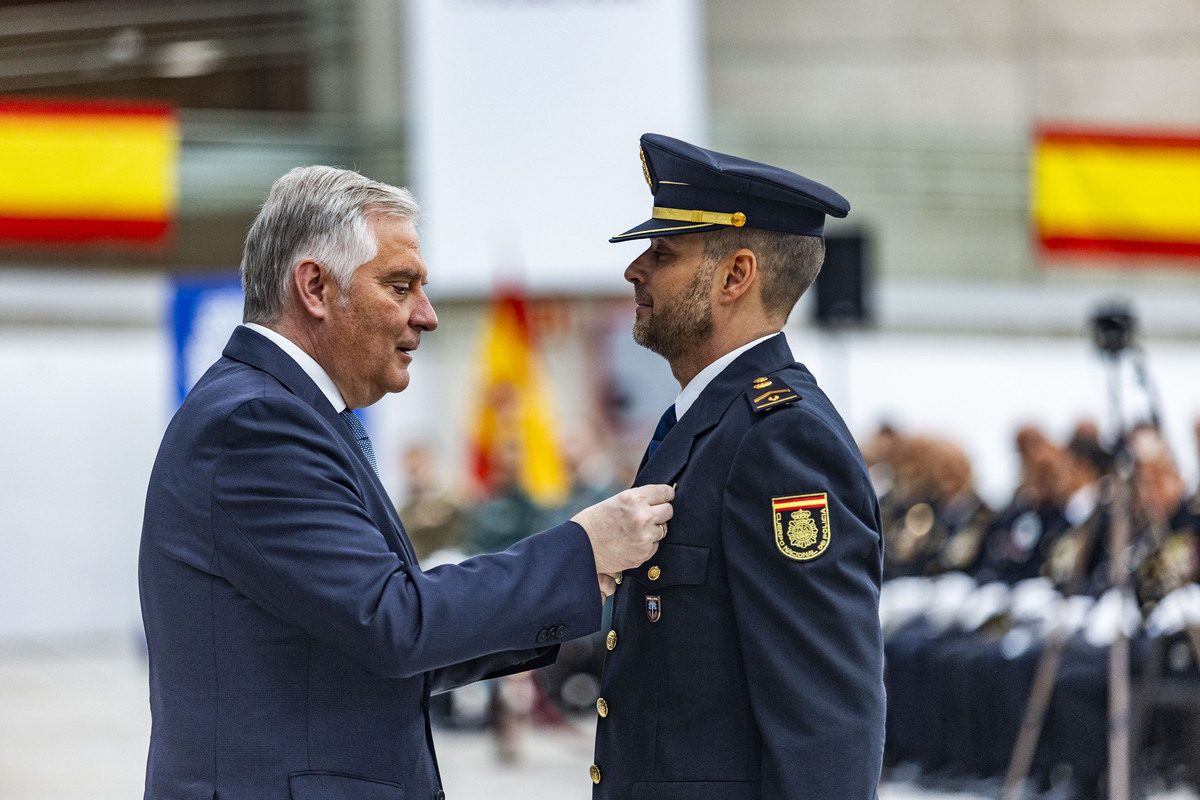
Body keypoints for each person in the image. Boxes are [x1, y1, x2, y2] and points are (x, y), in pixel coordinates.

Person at [138, 165, 674, 800]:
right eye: (400, 286)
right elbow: (392, 621)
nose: (427, 316)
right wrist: (580, 550)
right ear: (314, 286)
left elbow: (379, 643)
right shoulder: (258, 424)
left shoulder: (284, 414)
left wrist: (570, 583)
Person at [589, 134, 886, 799]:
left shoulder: (783, 440)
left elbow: (825, 719)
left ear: (736, 275)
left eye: (662, 253)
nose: (635, 270)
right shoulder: (701, 425)